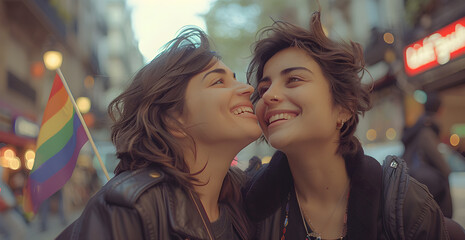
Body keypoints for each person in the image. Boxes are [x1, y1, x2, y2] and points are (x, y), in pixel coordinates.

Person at [243, 11, 464, 240]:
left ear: (345, 107)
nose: (269, 96)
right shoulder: (249, 207)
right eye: (263, 88)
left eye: (294, 79)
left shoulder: (404, 208)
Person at [56, 27, 261, 240]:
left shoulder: (247, 199)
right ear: (173, 120)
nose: (247, 89)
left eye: (235, 79)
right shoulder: (128, 210)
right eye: (218, 82)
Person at [402, 91, 453, 218]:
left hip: (416, 188)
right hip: (428, 193)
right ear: (440, 110)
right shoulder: (426, 131)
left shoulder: (417, 127)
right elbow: (443, 167)